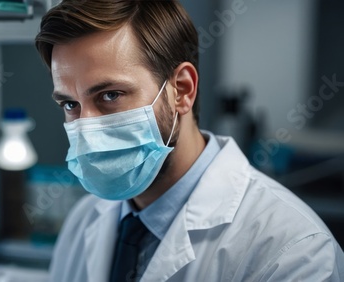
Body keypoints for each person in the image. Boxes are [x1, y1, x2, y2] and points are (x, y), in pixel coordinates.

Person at [34, 1, 344, 281]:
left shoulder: (292, 251)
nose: (86, 127)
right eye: (70, 104)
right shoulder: (85, 218)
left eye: (110, 95)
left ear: (181, 90)